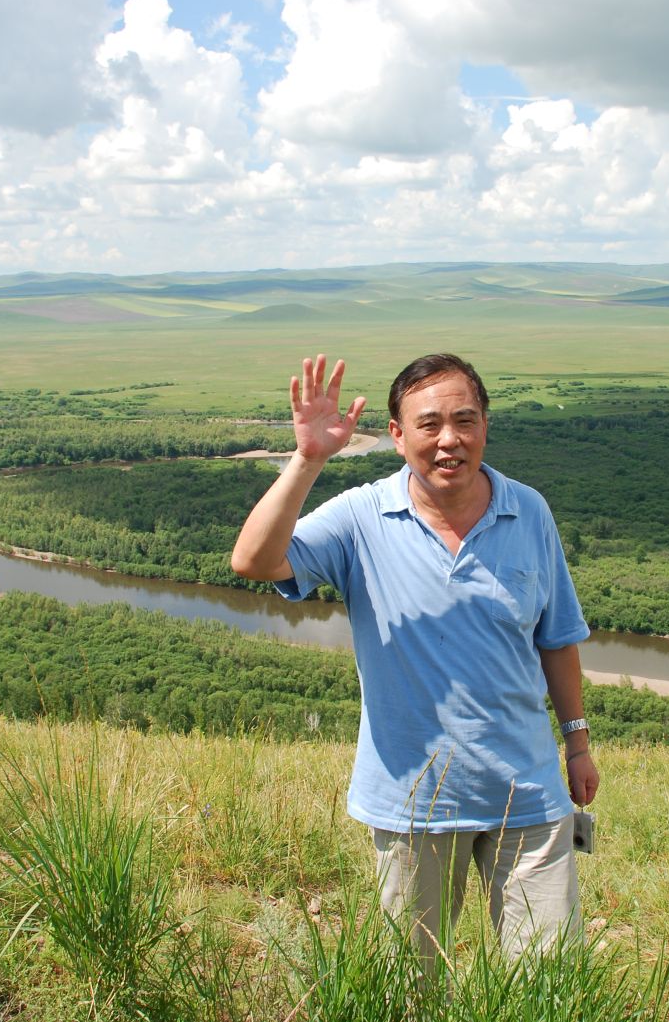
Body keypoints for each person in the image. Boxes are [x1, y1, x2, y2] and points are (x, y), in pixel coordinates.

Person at [231, 352, 598, 960]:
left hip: (528, 793)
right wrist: (308, 459)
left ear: (485, 426)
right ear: (397, 435)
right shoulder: (361, 517)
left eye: (465, 420)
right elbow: (254, 561)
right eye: (429, 424)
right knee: (412, 990)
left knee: (548, 985)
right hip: (413, 804)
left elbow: (556, 637)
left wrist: (577, 742)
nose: (449, 439)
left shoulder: (528, 510)